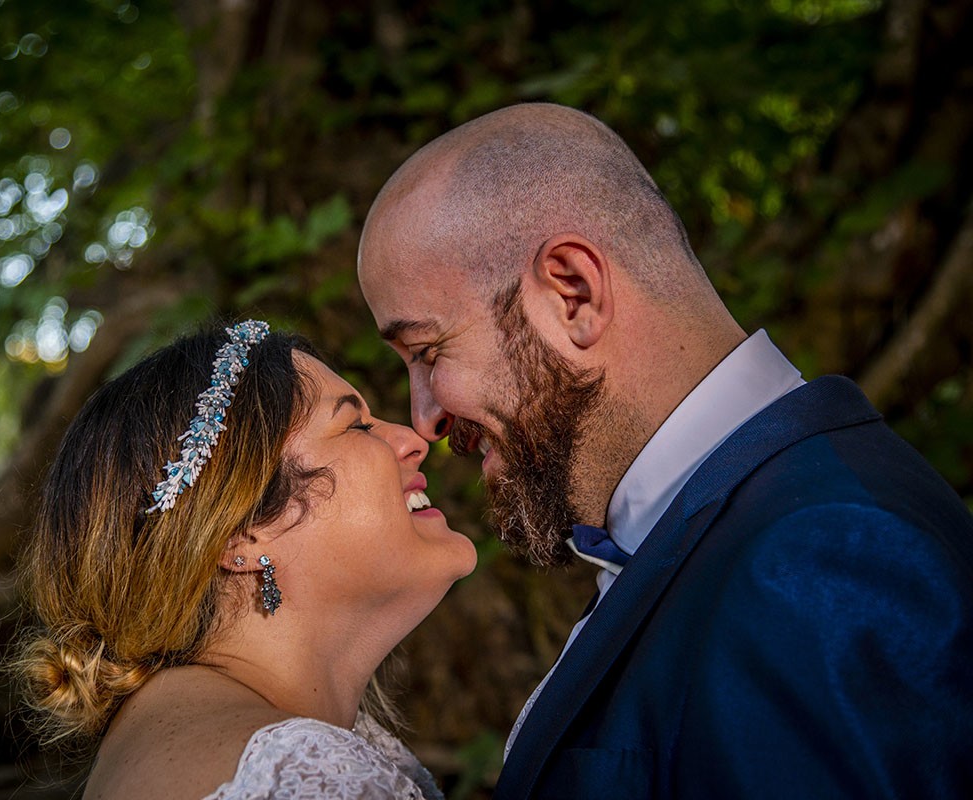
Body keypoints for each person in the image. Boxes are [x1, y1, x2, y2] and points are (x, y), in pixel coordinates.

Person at [357, 103, 973, 798]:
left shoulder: (821, 559)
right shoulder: (734, 526)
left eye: (428, 350)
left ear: (574, 294)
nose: (424, 418)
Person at [13, 321, 477, 799]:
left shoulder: (169, 733)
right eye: (356, 425)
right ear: (241, 535)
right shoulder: (308, 779)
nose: (413, 440)